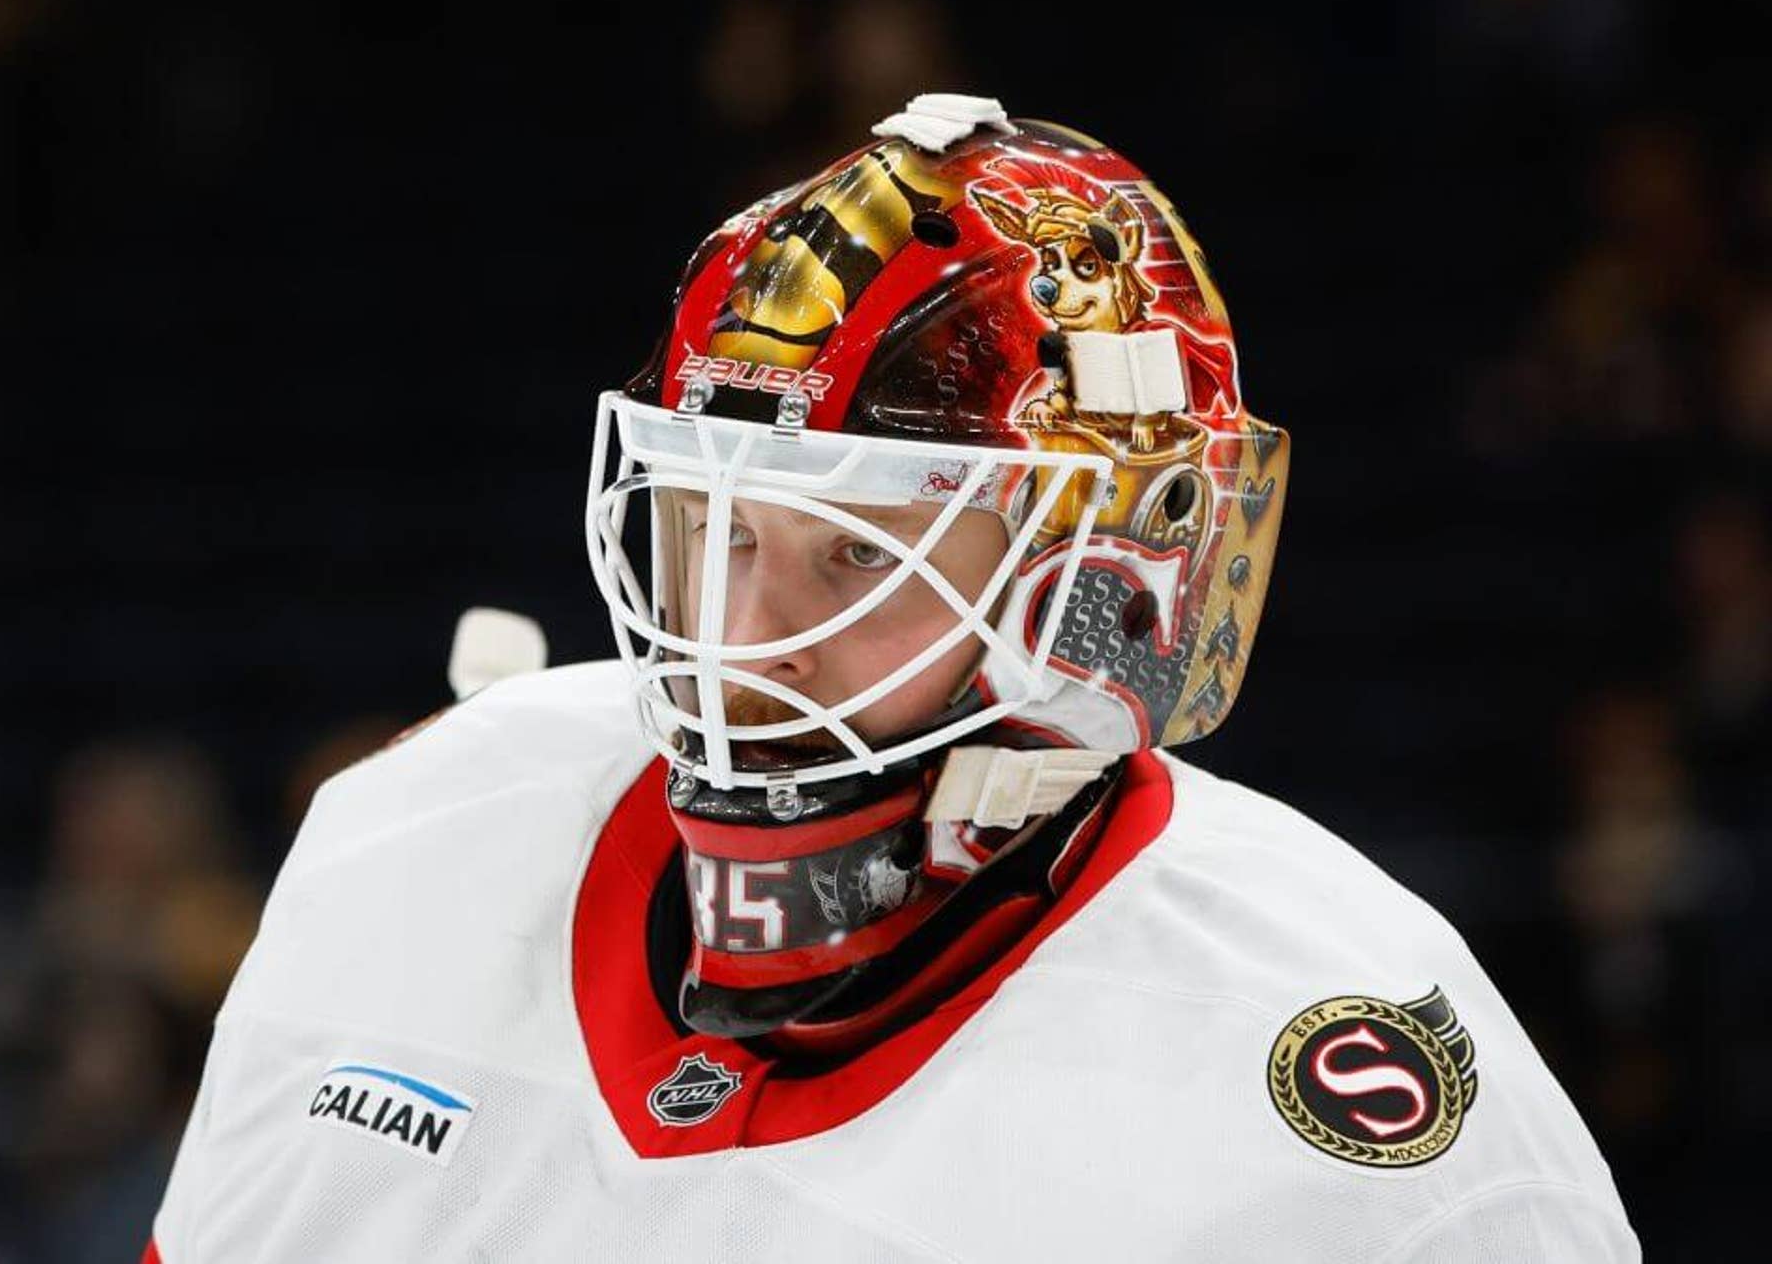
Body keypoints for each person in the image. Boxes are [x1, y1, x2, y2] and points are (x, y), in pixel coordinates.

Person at [144, 94, 1640, 1261]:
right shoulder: (411, 838)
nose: (743, 648)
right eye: (711, 528)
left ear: (1100, 589)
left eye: (859, 559)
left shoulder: (1341, 1106)